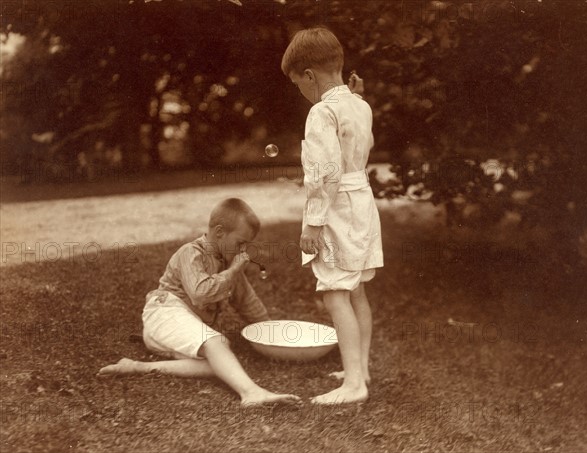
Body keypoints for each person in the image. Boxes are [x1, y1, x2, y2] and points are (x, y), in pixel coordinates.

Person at [99, 198, 300, 407]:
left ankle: (135, 367)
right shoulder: (191, 253)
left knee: (219, 362)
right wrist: (232, 273)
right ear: (220, 232)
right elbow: (201, 293)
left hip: (174, 331)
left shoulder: (228, 261)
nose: (244, 251)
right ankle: (251, 393)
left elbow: (247, 303)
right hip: (164, 312)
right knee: (218, 343)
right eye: (241, 243)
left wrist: (272, 337)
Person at [281, 27, 384, 405]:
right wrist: (355, 96)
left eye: (298, 84)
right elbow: (363, 145)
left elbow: (324, 172)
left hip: (338, 205)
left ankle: (354, 384)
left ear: (309, 75)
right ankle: (361, 369)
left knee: (335, 293)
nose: (301, 92)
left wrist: (313, 222)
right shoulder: (361, 104)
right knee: (356, 287)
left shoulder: (321, 112)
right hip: (362, 202)